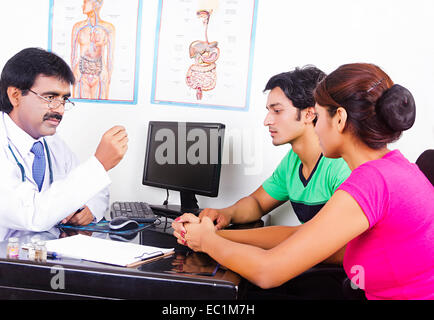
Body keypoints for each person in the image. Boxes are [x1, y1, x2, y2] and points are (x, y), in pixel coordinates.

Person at [173, 63, 434, 300]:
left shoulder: (370, 182)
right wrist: (218, 234)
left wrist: (207, 241)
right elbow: (303, 234)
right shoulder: (394, 169)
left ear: (339, 119)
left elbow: (268, 271)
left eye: (318, 117)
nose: (316, 127)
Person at [174, 66, 351, 264]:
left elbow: (314, 238)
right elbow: (257, 203)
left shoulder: (341, 166)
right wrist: (225, 214)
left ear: (309, 114)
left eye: (277, 111)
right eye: (268, 111)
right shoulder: (293, 161)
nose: (267, 121)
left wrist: (210, 237)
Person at [0, 47, 128, 247]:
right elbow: (33, 214)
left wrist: (89, 210)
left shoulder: (51, 142)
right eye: (50, 97)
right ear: (15, 96)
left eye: (64, 99)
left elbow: (97, 190)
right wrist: (100, 163)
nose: (59, 109)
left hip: (44, 260)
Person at [71, 0, 115, 100]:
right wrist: (72, 73)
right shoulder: (78, 27)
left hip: (100, 71)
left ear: (95, 4)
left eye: (86, 2)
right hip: (81, 71)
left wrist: (109, 75)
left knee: (101, 108)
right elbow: (73, 54)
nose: (83, 5)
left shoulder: (108, 28)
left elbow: (110, 56)